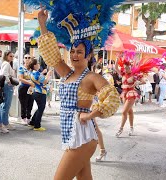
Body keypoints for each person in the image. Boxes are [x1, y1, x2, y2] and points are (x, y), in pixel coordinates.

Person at [32, 3, 121, 179]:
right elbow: (51, 55)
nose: (74, 55)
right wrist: (42, 23)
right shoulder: (67, 72)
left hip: (83, 137)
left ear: (89, 55)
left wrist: (89, 116)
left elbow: (112, 99)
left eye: (79, 52)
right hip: (72, 135)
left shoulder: (91, 78)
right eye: (72, 51)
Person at [114, 52, 148, 137]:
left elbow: (144, 81)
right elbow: (115, 68)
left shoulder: (135, 74)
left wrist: (136, 83)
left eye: (127, 67)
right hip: (124, 93)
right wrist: (117, 59)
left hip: (131, 93)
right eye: (124, 67)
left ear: (130, 67)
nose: (125, 68)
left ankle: (120, 129)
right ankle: (132, 128)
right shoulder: (123, 73)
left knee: (124, 111)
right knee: (130, 111)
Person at [28, 58, 52, 131]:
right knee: (41, 109)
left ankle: (32, 122)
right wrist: (48, 74)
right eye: (37, 63)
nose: (39, 65)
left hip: (36, 92)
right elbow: (45, 81)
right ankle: (37, 126)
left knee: (39, 108)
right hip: (40, 92)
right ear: (35, 65)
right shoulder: (37, 73)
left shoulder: (32, 72)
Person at [0, 50, 16, 130]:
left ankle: (3, 122)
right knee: (7, 104)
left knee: (5, 104)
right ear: (6, 56)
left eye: (13, 56)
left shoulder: (6, 63)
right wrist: (9, 82)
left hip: (6, 85)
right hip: (7, 86)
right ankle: (5, 123)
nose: (12, 57)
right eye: (10, 56)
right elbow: (4, 73)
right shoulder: (6, 64)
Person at [18, 54, 34, 124]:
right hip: (24, 88)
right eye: (25, 58)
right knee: (23, 104)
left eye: (29, 58)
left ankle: (28, 117)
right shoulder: (21, 68)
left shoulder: (32, 69)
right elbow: (20, 78)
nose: (27, 59)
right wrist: (29, 82)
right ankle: (23, 117)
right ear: (23, 59)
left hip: (31, 88)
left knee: (30, 103)